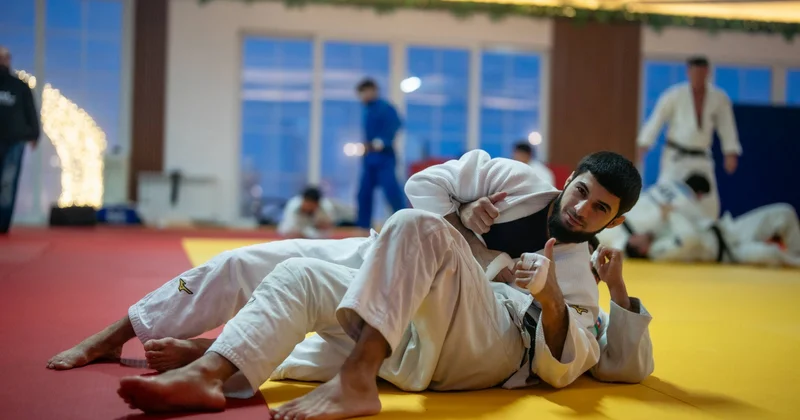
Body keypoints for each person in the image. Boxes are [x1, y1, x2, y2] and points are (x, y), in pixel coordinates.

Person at [102, 150, 646, 417]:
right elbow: (423, 186)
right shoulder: (514, 180)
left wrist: (555, 296)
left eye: (599, 208)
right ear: (569, 177)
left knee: (411, 230)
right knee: (295, 272)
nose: (582, 209)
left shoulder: (581, 270)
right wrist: (462, 215)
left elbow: (587, 360)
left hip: (485, 340)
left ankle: (356, 381)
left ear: (612, 222)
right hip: (413, 314)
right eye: (581, 191)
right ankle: (210, 371)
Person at [637, 56, 741, 220]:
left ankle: (710, 234)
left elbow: (727, 126)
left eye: (702, 72)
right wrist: (644, 144)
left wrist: (730, 152)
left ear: (707, 72)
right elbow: (656, 120)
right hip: (675, 156)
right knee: (666, 195)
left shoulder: (719, 97)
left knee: (709, 204)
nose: (698, 76)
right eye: (695, 72)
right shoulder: (674, 95)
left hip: (701, 156)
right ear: (688, 72)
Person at [625, 202, 800, 267]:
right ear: (641, 249)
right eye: (636, 237)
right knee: (772, 254)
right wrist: (672, 214)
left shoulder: (657, 231)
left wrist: (671, 213)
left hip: (729, 230)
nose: (640, 233)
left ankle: (797, 252)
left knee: (784, 212)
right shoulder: (659, 252)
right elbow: (689, 239)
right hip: (731, 253)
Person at [596, 173, 713, 250]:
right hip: (628, 237)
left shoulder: (665, 183)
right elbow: (702, 226)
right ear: (700, 194)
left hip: (614, 219)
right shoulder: (688, 202)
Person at [355, 78, 406, 230]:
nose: (362, 97)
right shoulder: (367, 110)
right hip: (369, 158)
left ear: (373, 91)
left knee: (392, 192)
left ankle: (405, 222)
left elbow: (396, 124)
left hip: (384, 157)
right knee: (363, 194)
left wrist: (379, 143)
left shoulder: (385, 108)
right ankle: (363, 227)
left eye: (364, 93)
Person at [0, 46, 40, 234]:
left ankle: (2, 224)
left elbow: (30, 110)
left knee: (8, 181)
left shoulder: (20, 86)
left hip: (14, 140)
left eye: (5, 57)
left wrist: (34, 134)